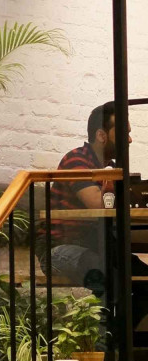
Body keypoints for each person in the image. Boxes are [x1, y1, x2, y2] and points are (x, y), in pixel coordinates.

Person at [49, 102, 133, 294]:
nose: (129, 140)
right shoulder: (76, 159)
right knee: (109, 275)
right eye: (123, 133)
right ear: (101, 135)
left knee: (137, 273)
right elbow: (97, 204)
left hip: (95, 244)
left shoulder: (109, 168)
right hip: (59, 248)